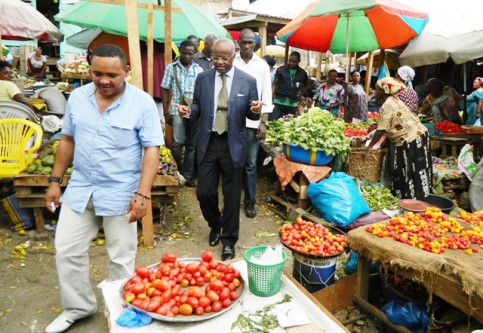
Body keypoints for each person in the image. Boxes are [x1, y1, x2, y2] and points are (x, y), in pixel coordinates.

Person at [43, 44, 164, 333]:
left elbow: (151, 150)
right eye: (97, 74)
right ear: (89, 71)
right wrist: (55, 182)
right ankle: (78, 307)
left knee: (121, 258)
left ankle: (121, 308)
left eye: (112, 74)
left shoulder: (142, 103)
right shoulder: (78, 98)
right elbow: (67, 140)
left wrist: (143, 193)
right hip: (81, 188)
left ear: (126, 72)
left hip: (122, 193)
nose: (104, 81)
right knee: (66, 249)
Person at [176, 38, 262, 261]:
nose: (220, 62)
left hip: (234, 143)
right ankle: (216, 225)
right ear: (210, 55)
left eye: (224, 58)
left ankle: (229, 240)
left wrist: (255, 111)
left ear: (233, 57)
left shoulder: (248, 81)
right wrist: (188, 111)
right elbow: (197, 106)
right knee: (204, 192)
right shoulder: (203, 78)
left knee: (232, 196)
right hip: (209, 141)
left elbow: (252, 113)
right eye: (215, 57)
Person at [368, 77, 432, 200]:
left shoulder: (387, 105)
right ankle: (419, 197)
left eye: (376, 89)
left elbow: (380, 130)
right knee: (417, 169)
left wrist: (369, 147)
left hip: (410, 139)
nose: (374, 92)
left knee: (407, 169)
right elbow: (390, 124)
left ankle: (409, 198)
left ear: (384, 91)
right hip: (419, 135)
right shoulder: (394, 99)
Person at [234, 28, 273, 218]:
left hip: (252, 122)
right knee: (233, 163)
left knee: (250, 164)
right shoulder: (231, 61)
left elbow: (267, 93)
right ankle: (232, 201)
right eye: (244, 42)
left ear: (255, 44)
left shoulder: (262, 65)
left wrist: (263, 122)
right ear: (238, 43)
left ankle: (249, 202)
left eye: (250, 42)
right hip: (232, 122)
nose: (247, 46)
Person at [162, 40, 203, 187]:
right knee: (178, 142)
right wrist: (166, 112)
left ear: (194, 53)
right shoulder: (171, 68)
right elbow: (165, 89)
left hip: (194, 111)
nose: (186, 55)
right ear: (179, 50)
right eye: (184, 52)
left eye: (190, 53)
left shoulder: (198, 70)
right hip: (175, 110)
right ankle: (176, 172)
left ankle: (188, 175)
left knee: (192, 144)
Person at [270, 51, 308, 120]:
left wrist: (299, 97)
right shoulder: (280, 70)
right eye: (290, 60)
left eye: (294, 61)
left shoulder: (303, 73)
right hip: (278, 101)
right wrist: (271, 97)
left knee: (288, 125)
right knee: (273, 122)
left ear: (299, 61)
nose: (291, 63)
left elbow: (305, 86)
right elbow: (275, 84)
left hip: (292, 103)